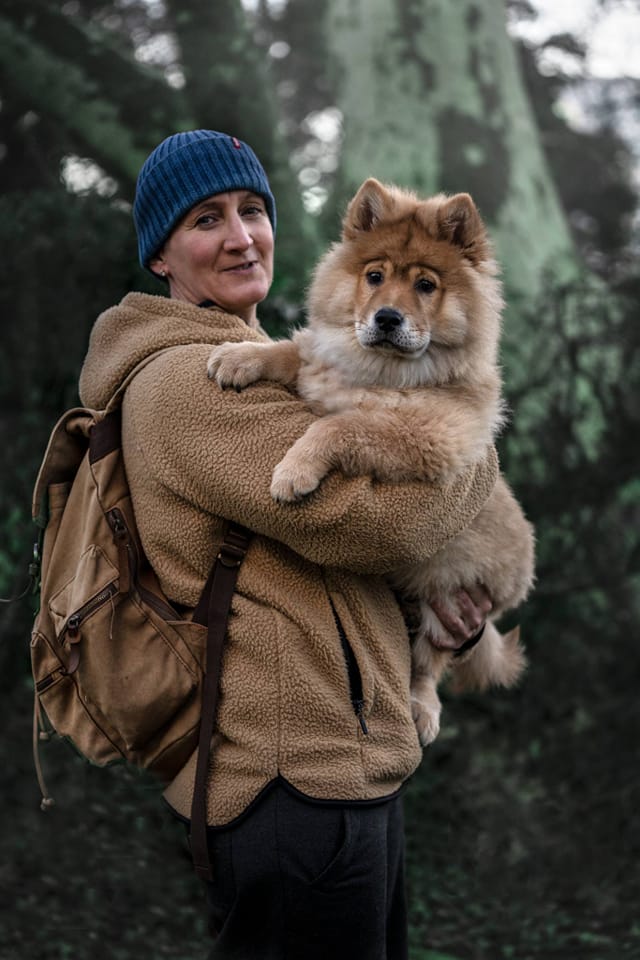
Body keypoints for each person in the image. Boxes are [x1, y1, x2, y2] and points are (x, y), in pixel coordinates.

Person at [78, 129, 497, 959]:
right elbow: (389, 524)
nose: (240, 236)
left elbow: (382, 561)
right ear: (161, 254)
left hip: (353, 767)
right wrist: (474, 446)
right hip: (291, 786)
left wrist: (450, 614)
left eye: (253, 211)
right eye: (207, 220)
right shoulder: (185, 379)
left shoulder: (277, 362)